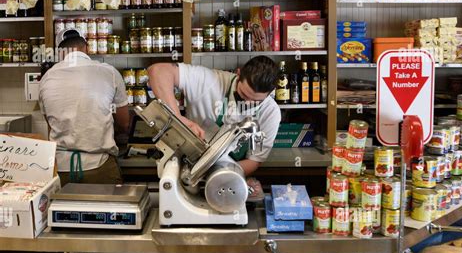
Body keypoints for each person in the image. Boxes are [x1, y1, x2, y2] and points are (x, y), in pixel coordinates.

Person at [148, 56, 281, 176]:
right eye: (243, 95)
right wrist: (177, 119)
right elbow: (158, 70)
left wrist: (217, 176)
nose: (246, 103)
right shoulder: (210, 81)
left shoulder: (271, 113)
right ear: (238, 74)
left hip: (228, 177)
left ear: (270, 93)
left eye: (255, 102)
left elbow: (253, 161)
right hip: (187, 168)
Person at [39, 29, 130, 186]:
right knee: (105, 210)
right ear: (86, 47)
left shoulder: (46, 78)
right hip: (100, 166)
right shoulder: (109, 72)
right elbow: (124, 123)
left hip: (60, 170)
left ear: (60, 52)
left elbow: (50, 124)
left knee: (63, 211)